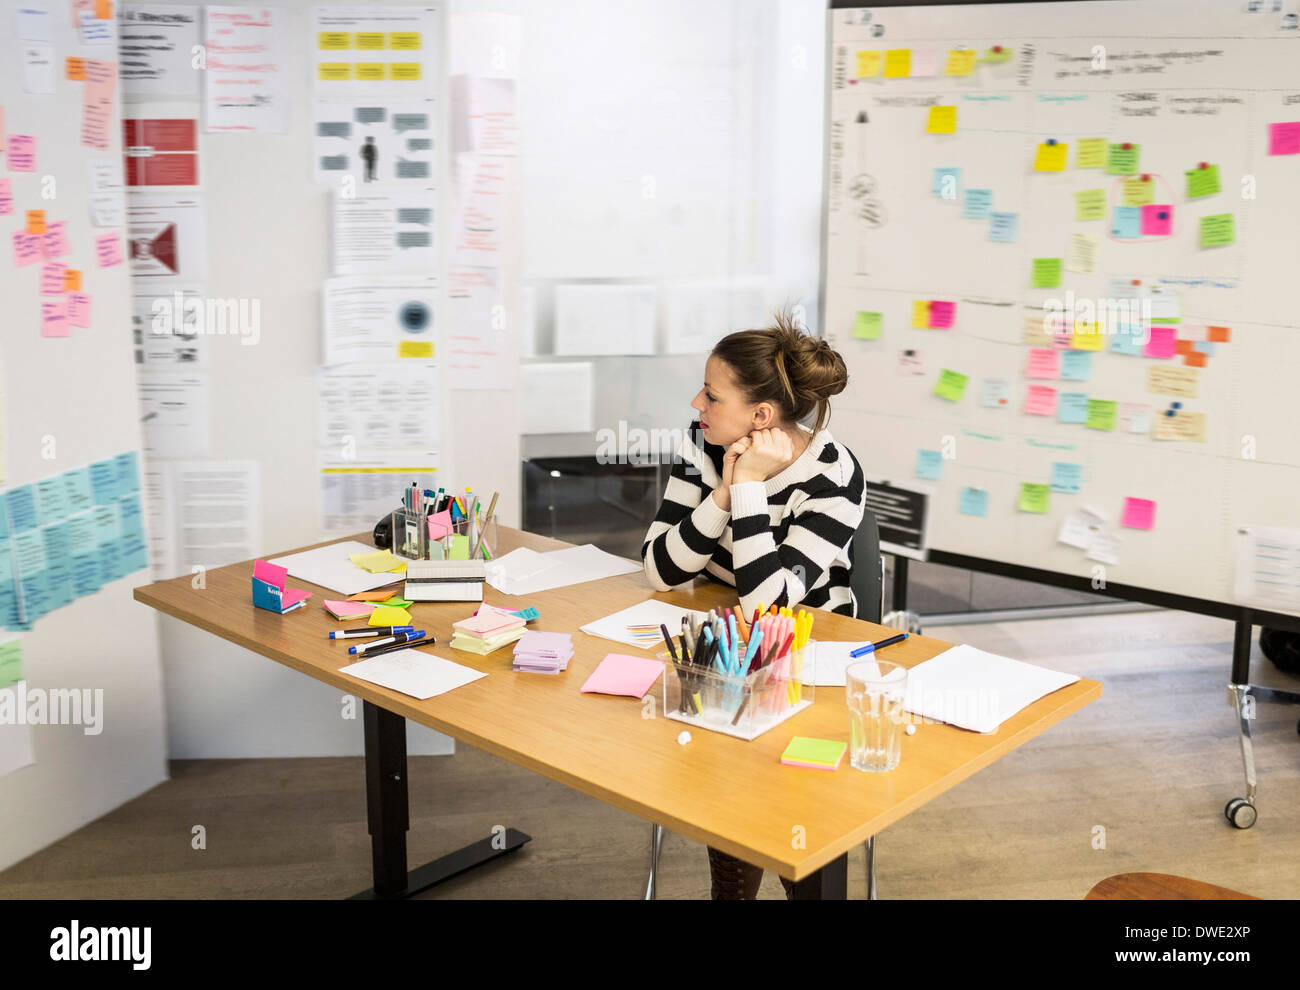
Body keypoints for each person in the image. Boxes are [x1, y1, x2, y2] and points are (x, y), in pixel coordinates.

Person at [640, 311, 866, 899]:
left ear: (760, 416)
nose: (697, 403)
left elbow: (771, 607)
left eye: (712, 395)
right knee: (724, 756)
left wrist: (747, 490)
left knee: (784, 784)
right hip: (728, 647)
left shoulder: (835, 478)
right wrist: (721, 490)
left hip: (813, 661)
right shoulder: (706, 440)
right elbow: (661, 571)